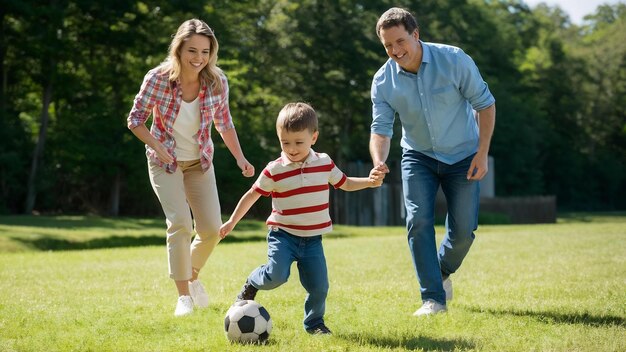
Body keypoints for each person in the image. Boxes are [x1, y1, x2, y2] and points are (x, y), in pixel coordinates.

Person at [369, 8, 496, 316]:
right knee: (418, 221)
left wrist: (482, 152)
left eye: (400, 41)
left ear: (416, 34)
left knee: (464, 231)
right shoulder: (383, 81)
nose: (395, 51)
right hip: (418, 156)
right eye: (388, 45)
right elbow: (381, 130)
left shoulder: (454, 60)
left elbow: (485, 104)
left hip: (463, 155)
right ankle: (433, 299)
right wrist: (378, 161)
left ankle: (440, 271)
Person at [127, 19, 255, 317]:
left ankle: (192, 274)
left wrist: (240, 158)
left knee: (212, 228)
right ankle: (183, 296)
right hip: (165, 161)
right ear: (179, 49)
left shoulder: (217, 81)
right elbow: (135, 120)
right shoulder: (158, 78)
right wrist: (157, 147)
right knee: (181, 223)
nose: (199, 58)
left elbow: (224, 124)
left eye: (205, 52)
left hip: (200, 161)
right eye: (192, 50)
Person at [219, 102, 383, 334]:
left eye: (298, 142)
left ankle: (314, 324)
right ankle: (253, 282)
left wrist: (369, 181)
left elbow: (344, 182)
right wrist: (232, 222)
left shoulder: (324, 162)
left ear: (313, 137)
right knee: (277, 276)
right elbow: (252, 195)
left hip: (312, 240)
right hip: (283, 236)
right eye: (285, 143)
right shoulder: (274, 169)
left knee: (319, 287)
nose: (292, 148)